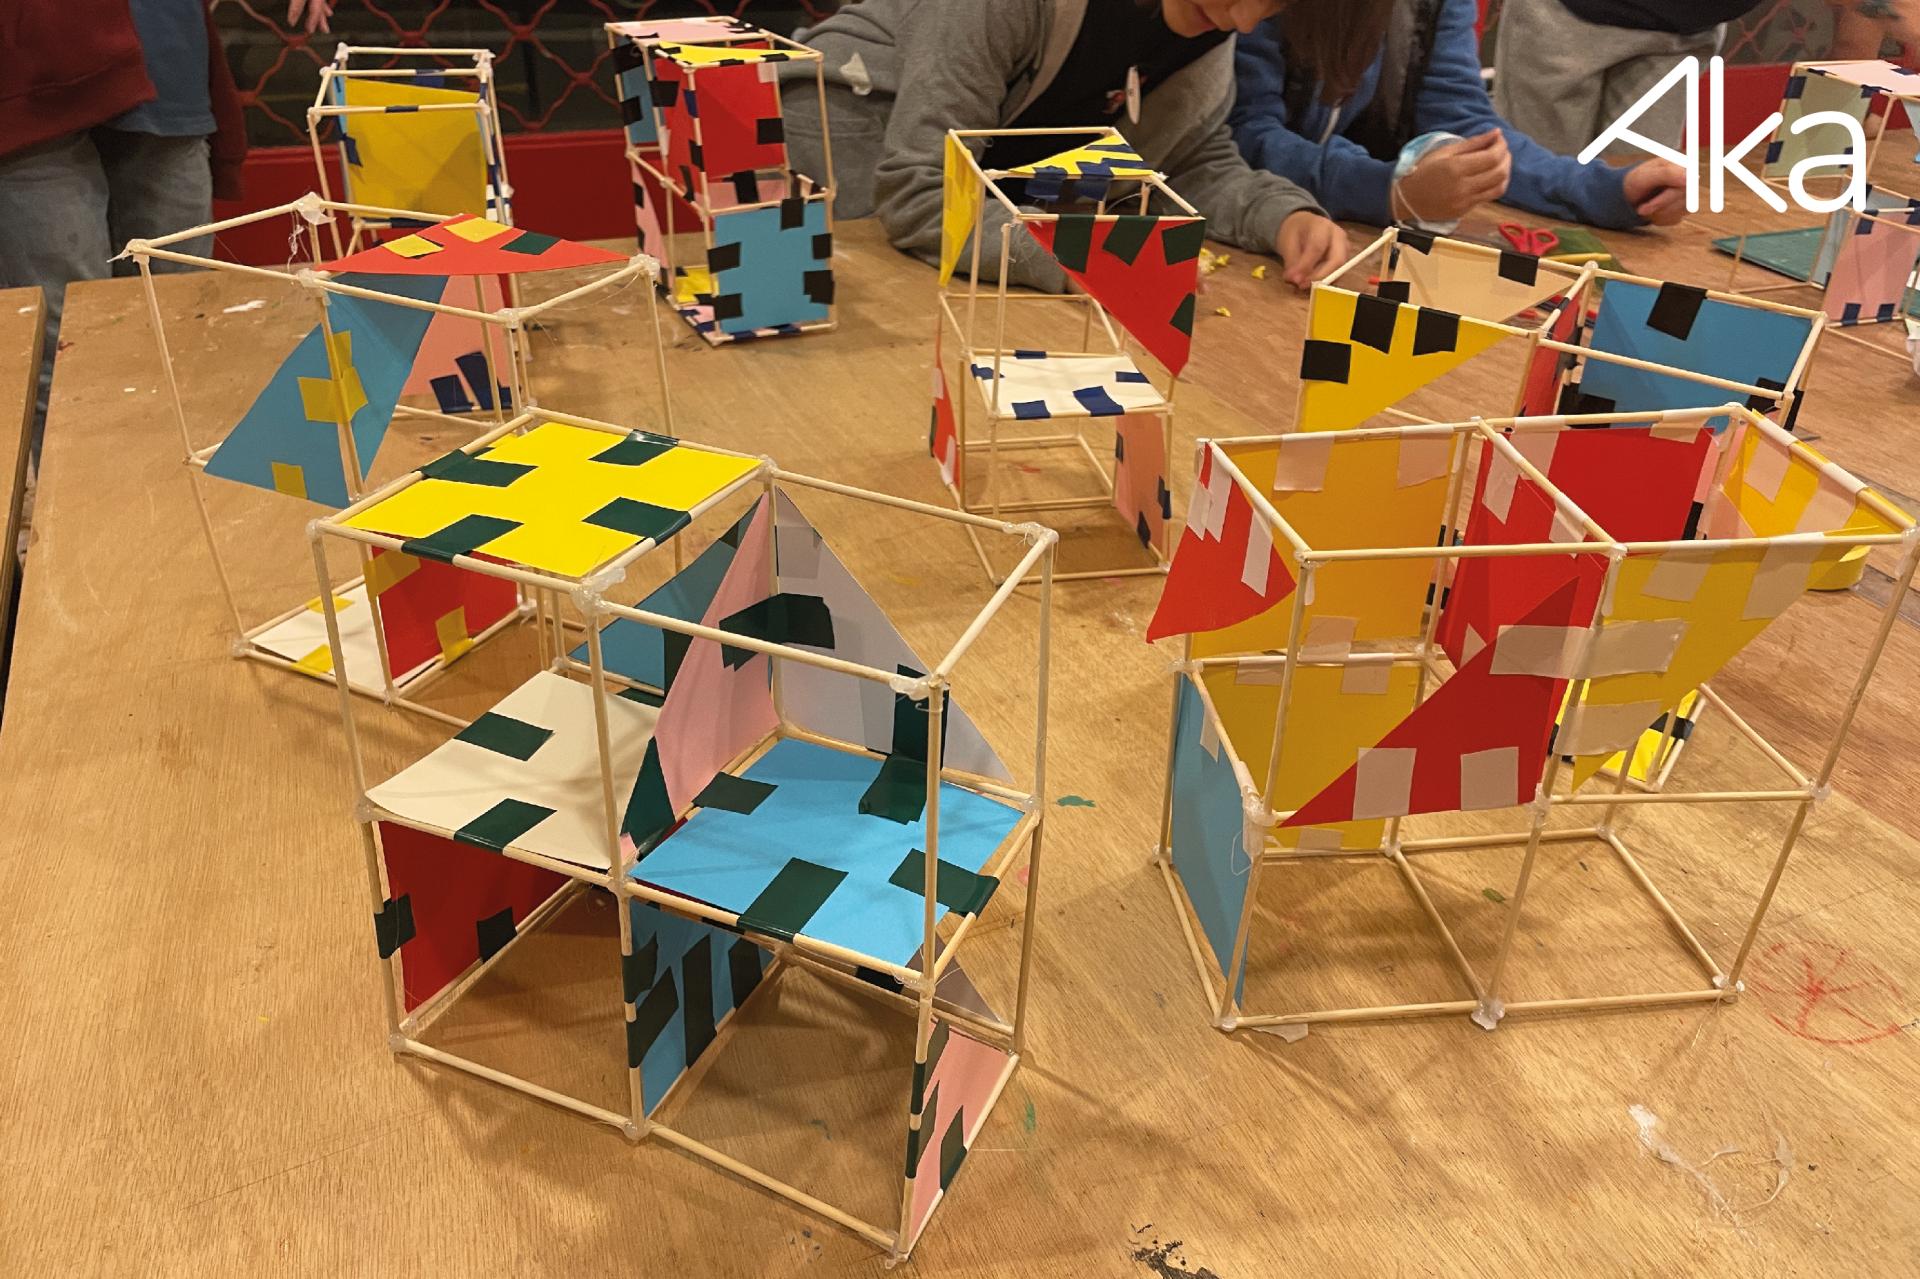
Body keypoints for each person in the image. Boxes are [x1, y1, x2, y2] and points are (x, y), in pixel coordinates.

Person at [782, 0, 1349, 292]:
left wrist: (1281, 215)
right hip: (833, 195)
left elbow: (1185, 162)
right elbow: (921, 194)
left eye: (1273, 6)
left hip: (965, 234)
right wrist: (1083, 254)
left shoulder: (1211, 28)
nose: (1244, 21)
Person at [0, 0, 330, 455]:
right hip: (27, 72)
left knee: (179, 344)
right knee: (66, 357)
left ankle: (171, 497)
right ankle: (86, 501)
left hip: (165, 57)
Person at [1229, 0, 1687, 234]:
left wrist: (1605, 191)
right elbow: (1241, 140)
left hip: (1329, 232)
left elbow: (1466, 125)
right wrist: (1389, 191)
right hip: (1239, 226)